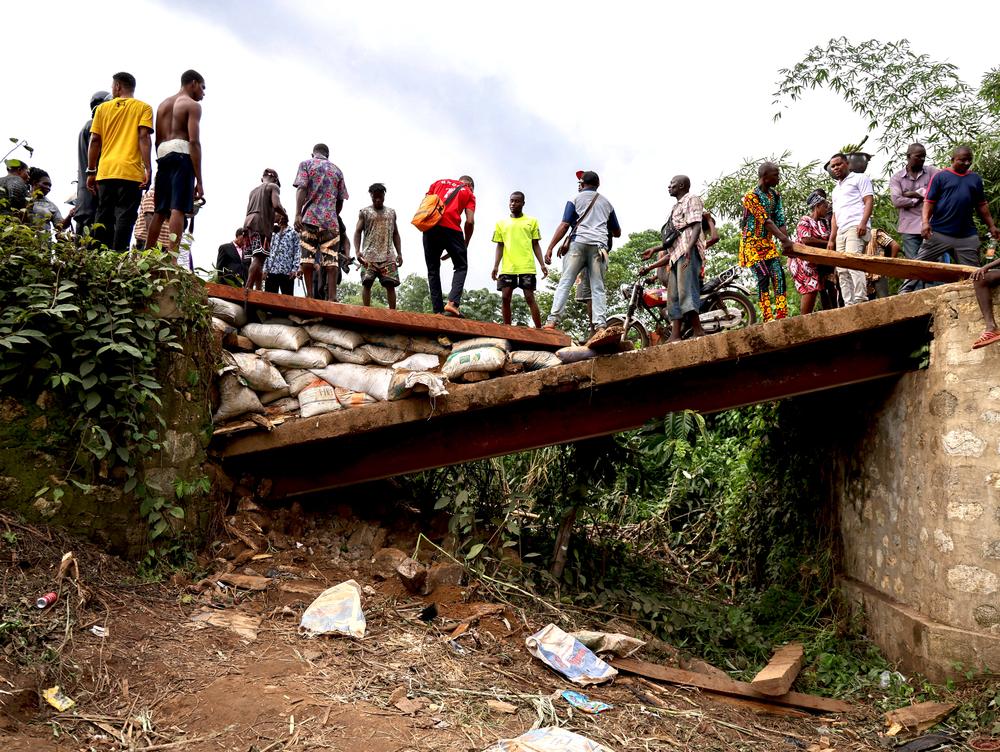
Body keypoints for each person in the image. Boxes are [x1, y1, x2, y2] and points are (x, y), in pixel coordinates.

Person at [900, 145, 1000, 294]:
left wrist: (991, 226)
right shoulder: (941, 176)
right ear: (953, 159)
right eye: (962, 160)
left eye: (969, 160)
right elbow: (929, 202)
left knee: (974, 272)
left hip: (966, 236)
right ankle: (904, 292)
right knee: (918, 265)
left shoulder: (975, 179)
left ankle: (972, 298)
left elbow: (982, 205)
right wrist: (925, 223)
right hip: (939, 233)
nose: (966, 163)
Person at [543, 170, 621, 336]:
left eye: (580, 182)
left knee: (566, 281)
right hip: (599, 247)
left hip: (578, 244)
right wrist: (599, 225)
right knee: (597, 287)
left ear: (583, 184)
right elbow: (617, 232)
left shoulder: (575, 199)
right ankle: (601, 325)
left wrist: (550, 247)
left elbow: (564, 225)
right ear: (597, 185)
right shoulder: (607, 203)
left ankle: (552, 321)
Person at [86, 71, 153, 251]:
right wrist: (149, 169)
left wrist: (91, 171)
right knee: (125, 216)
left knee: (103, 215)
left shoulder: (102, 109)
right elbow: (144, 137)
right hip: (131, 173)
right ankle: (117, 257)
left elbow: (95, 141)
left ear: (117, 86)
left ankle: (96, 257)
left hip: (106, 171)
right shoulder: (143, 108)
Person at [145, 70, 206, 256]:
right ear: (193, 83)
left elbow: (156, 141)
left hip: (163, 155)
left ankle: (146, 254)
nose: (203, 93)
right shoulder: (192, 105)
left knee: (160, 209)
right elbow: (194, 142)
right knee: (177, 207)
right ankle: (173, 259)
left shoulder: (163, 105)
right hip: (182, 154)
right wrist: (199, 180)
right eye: (203, 88)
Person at [638, 175, 706, 341]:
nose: (669, 187)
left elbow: (696, 225)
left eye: (672, 184)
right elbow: (675, 236)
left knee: (686, 291)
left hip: (687, 252)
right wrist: (656, 249)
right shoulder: (676, 206)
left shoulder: (692, 199)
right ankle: (676, 334)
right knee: (673, 295)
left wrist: (689, 249)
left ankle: (698, 331)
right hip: (675, 255)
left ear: (681, 185)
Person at [293, 143, 348, 301]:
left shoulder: (306, 164)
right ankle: (332, 298)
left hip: (310, 218)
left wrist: (298, 213)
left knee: (307, 258)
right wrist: (332, 214)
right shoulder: (337, 170)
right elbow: (341, 200)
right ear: (328, 155)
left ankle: (310, 296)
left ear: (313, 154)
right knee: (331, 260)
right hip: (330, 221)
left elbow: (301, 188)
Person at [739, 162, 794, 321]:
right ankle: (767, 316)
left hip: (767, 244)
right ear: (765, 177)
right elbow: (766, 221)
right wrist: (784, 240)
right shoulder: (751, 197)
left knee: (779, 275)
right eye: (775, 175)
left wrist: (786, 243)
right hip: (751, 245)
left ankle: (782, 315)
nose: (779, 178)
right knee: (763, 276)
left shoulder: (775, 196)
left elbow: (780, 220)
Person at [491, 191, 547, 327]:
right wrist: (496, 266)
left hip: (526, 266)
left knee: (529, 297)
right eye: (511, 201)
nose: (513, 203)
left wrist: (542, 265)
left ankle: (539, 329)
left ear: (523, 203)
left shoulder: (531, 221)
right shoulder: (501, 223)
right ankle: (507, 328)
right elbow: (500, 245)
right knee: (505, 297)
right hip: (508, 267)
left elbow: (536, 244)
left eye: (516, 201)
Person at [421, 175, 476, 316]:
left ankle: (438, 311)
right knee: (461, 266)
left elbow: (426, 204)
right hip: (452, 229)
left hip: (430, 228)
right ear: (470, 185)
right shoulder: (468, 192)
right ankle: (452, 304)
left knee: (433, 269)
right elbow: (470, 221)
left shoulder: (438, 182)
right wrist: (464, 244)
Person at [827, 152, 874, 306]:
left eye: (839, 164)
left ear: (847, 164)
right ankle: (849, 303)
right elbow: (835, 216)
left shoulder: (860, 178)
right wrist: (831, 239)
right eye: (833, 166)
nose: (836, 168)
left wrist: (863, 223)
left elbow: (868, 201)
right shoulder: (835, 190)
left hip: (856, 226)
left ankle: (861, 299)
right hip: (841, 230)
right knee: (842, 269)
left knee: (853, 262)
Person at [354, 183, 403, 309]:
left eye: (380, 197)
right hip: (369, 256)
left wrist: (400, 253)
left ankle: (392, 313)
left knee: (390, 285)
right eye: (375, 197)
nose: (377, 199)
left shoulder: (391, 213)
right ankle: (366, 311)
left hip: (388, 256)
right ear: (371, 196)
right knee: (367, 283)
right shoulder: (365, 212)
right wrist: (357, 251)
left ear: (384, 196)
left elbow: (396, 234)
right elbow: (358, 232)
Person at [890, 143, 938, 261]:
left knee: (935, 264)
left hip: (931, 225)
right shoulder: (897, 178)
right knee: (914, 263)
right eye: (918, 156)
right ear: (908, 156)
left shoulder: (932, 172)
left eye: (924, 157)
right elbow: (897, 201)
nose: (922, 159)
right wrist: (921, 198)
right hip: (909, 227)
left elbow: (941, 191)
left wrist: (915, 193)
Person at [74, 91, 110, 234]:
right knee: (93, 242)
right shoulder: (94, 127)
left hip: (85, 198)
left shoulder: (87, 127)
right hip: (93, 194)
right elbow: (98, 158)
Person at [790, 193, 831, 315]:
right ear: (817, 206)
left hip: (814, 262)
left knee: (815, 289)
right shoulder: (805, 220)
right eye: (825, 206)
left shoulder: (821, 224)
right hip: (803, 262)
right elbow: (806, 240)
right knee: (810, 289)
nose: (826, 209)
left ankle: (806, 318)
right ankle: (804, 319)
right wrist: (827, 243)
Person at [243, 168, 284, 291]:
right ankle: (248, 288)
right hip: (260, 225)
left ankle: (258, 288)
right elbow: (276, 205)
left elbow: (259, 210)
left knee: (258, 258)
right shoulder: (273, 187)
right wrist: (285, 215)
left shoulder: (253, 191)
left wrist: (273, 225)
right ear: (275, 180)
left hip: (248, 224)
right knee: (259, 258)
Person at [264, 208, 300, 295]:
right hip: (271, 271)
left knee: (287, 301)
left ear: (281, 215)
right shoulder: (272, 232)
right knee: (269, 301)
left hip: (287, 272)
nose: (273, 216)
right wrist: (265, 269)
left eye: (275, 213)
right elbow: (266, 251)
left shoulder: (293, 233)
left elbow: (297, 252)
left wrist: (295, 269)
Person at [864, 229, 902, 299]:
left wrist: (890, 265)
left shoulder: (876, 234)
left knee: (883, 299)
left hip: (878, 272)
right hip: (865, 274)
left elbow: (895, 246)